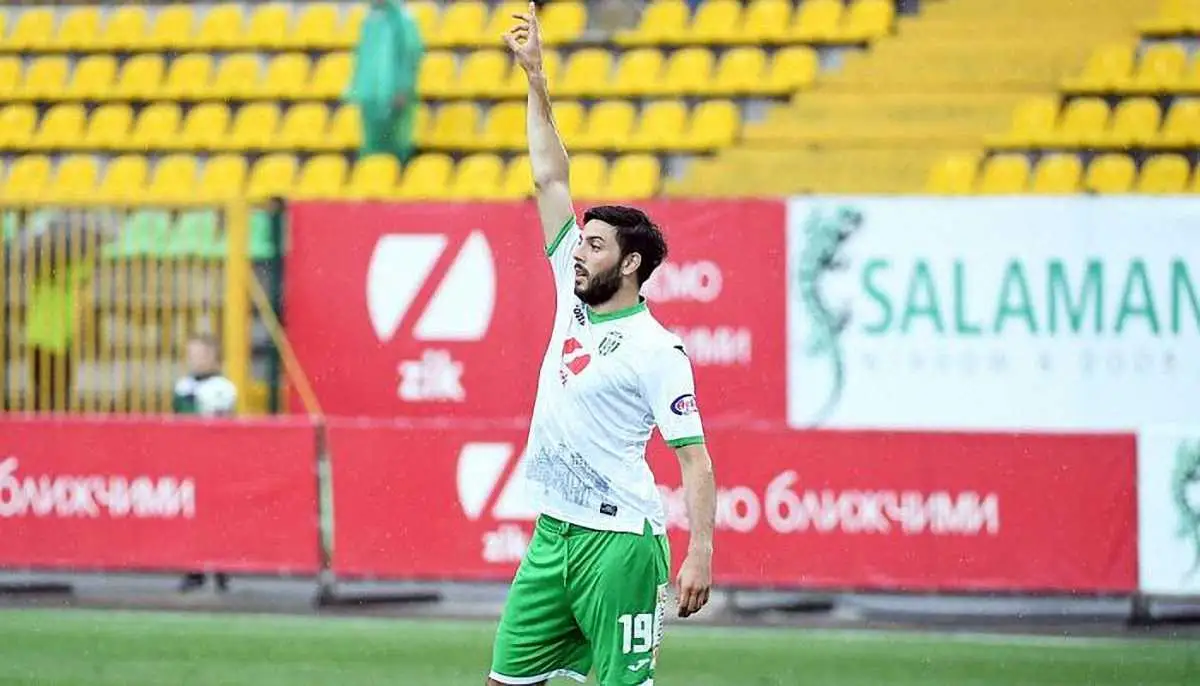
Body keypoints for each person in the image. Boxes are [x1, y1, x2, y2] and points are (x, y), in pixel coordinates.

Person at [487, 5, 717, 685]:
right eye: (581, 242)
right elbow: (550, 178)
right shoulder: (571, 291)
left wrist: (700, 551)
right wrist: (536, 80)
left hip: (619, 545)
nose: (579, 253)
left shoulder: (657, 350)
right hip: (551, 534)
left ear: (631, 264)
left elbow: (695, 460)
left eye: (595, 245)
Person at [173, 333, 238, 593]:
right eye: (192, 354)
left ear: (214, 357)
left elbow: (221, 421)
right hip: (190, 461)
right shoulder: (183, 386)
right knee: (192, 517)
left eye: (201, 354)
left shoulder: (223, 387)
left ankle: (222, 569)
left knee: (219, 517)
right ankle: (194, 570)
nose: (195, 360)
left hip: (217, 463)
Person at [344, 0, 424, 162]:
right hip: (371, 97)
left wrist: (402, 87)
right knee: (372, 146)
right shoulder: (369, 20)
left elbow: (409, 54)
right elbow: (363, 57)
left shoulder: (402, 19)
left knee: (396, 144)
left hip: (394, 95)